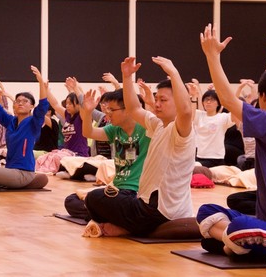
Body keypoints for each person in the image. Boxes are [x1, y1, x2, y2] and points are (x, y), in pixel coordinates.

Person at [196, 25, 266, 259]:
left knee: (237, 229)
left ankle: (235, 243)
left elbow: (227, 99)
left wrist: (212, 56)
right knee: (208, 210)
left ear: (264, 97)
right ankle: (236, 244)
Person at [82, 55, 195, 238]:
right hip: (151, 205)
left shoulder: (181, 131)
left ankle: (128, 228)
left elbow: (186, 111)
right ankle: (129, 227)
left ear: (178, 102)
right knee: (93, 199)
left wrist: (174, 73)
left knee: (94, 199)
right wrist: (126, 78)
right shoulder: (157, 124)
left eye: (163, 100)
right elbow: (134, 109)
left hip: (156, 211)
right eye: (156, 99)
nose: (157, 104)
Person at [63, 88, 150, 223]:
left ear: (128, 109)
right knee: (71, 200)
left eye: (111, 109)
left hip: (134, 192)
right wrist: (87, 113)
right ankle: (110, 215)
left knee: (94, 198)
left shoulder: (146, 129)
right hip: (116, 189)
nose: (107, 113)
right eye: (107, 109)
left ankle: (103, 213)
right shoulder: (115, 129)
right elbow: (88, 132)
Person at [0, 66, 49, 190]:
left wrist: (40, 82)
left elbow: (43, 106)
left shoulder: (33, 123)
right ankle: (2, 183)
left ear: (31, 106)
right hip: (11, 170)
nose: (20, 103)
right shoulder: (11, 122)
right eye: (18, 101)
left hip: (23, 172)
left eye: (25, 101)